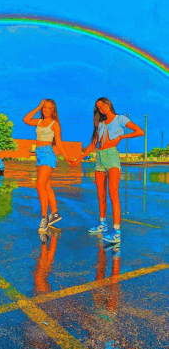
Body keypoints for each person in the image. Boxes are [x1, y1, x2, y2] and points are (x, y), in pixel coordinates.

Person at [72, 97, 144, 243]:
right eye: (98, 107)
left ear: (109, 104)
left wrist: (121, 137)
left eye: (103, 105)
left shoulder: (120, 119)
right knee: (100, 195)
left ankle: (116, 231)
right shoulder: (101, 124)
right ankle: (102, 224)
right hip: (99, 157)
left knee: (113, 194)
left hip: (112, 157)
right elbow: (93, 144)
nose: (101, 108)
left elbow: (139, 131)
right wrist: (79, 159)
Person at [23, 99, 72, 232]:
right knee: (46, 185)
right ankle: (55, 213)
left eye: (49, 108)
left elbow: (59, 144)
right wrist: (38, 105)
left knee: (39, 184)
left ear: (53, 110)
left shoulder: (54, 124)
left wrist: (67, 158)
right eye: (44, 107)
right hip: (39, 154)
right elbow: (26, 119)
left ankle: (44, 218)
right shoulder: (38, 122)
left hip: (48, 154)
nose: (46, 109)